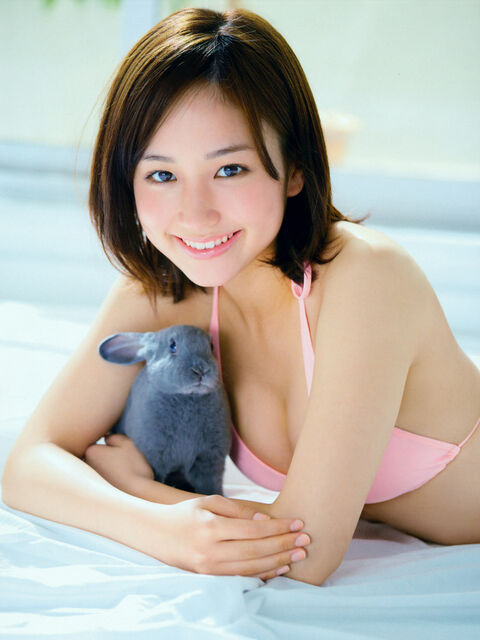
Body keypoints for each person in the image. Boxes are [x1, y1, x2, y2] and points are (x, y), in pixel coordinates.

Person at [2, 7, 479, 588]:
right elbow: (28, 465)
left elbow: (307, 551)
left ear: (295, 168)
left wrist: (136, 489)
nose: (195, 214)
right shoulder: (167, 290)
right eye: (161, 175)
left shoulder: (367, 277)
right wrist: (161, 529)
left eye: (229, 169)